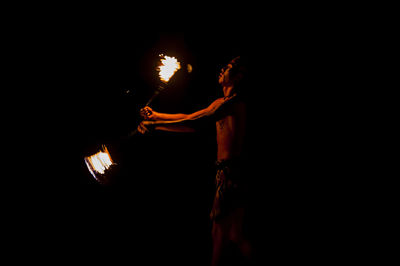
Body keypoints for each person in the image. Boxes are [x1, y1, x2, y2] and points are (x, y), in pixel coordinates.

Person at [138, 56, 254, 265]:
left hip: (231, 174)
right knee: (236, 235)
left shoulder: (234, 103)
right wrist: (156, 117)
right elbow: (190, 118)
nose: (221, 70)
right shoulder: (221, 103)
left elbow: (198, 121)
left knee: (218, 232)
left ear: (238, 76)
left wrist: (154, 125)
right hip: (232, 174)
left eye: (227, 67)